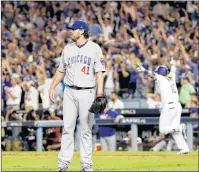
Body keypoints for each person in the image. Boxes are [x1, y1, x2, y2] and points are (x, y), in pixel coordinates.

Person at [49, 20, 106, 171]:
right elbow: (61, 70)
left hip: (87, 91)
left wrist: (100, 93)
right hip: (69, 91)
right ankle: (63, 164)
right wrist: (52, 87)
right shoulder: (68, 48)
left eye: (73, 29)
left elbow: (99, 72)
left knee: (86, 129)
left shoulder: (94, 48)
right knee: (67, 128)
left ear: (81, 31)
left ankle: (86, 164)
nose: (70, 31)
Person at [136, 58, 189, 155]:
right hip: (177, 105)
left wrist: (143, 70)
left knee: (163, 129)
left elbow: (152, 74)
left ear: (161, 73)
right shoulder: (171, 76)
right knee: (174, 130)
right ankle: (184, 148)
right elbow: (173, 70)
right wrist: (172, 63)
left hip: (169, 107)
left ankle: (180, 127)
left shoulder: (161, 79)